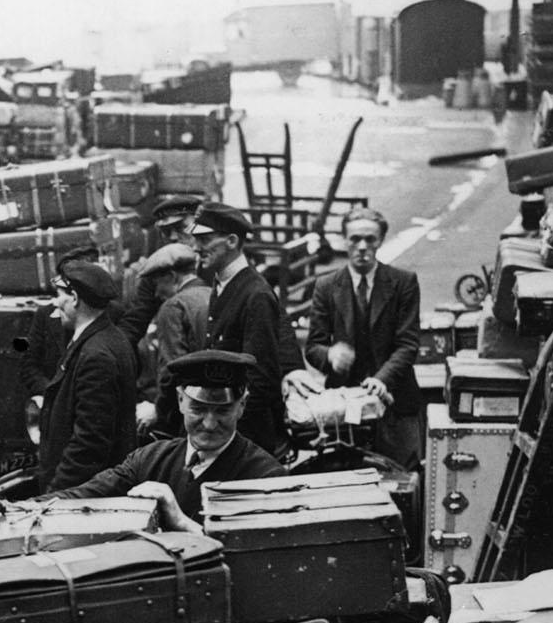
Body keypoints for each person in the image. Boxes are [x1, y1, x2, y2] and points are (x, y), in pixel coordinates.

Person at [56, 350, 285, 528]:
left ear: (241, 406)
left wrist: (180, 521)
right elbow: (85, 495)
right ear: (180, 401)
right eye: (198, 408)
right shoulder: (150, 458)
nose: (209, 423)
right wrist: (27, 508)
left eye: (222, 411)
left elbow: (252, 559)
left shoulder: (265, 478)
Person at [163, 202, 297, 458]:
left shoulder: (255, 294)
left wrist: (231, 437)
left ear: (232, 241)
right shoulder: (224, 284)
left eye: (204, 239)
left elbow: (261, 379)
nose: (195, 247)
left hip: (244, 441)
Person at [295, 207, 425, 467]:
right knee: (346, 472)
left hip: (395, 403)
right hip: (346, 408)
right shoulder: (326, 285)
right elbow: (313, 347)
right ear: (345, 241)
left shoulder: (403, 283)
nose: (362, 247)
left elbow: (408, 344)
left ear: (380, 241)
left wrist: (381, 380)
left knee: (402, 476)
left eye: (370, 239)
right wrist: (330, 355)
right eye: (355, 239)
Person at [36, 260, 138, 493]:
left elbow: (89, 445)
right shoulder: (108, 339)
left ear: (74, 298)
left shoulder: (95, 355)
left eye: (60, 294)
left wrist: (56, 494)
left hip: (83, 498)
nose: (55, 302)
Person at [133, 242, 210, 433]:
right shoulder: (214, 295)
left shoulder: (173, 307)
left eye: (157, 284)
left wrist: (158, 410)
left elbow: (173, 369)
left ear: (172, 276)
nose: (157, 293)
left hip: (187, 416)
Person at [114, 195, 202, 344]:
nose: (173, 237)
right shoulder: (157, 271)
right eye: (166, 231)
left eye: (181, 228)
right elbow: (137, 319)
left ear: (198, 226)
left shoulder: (215, 263)